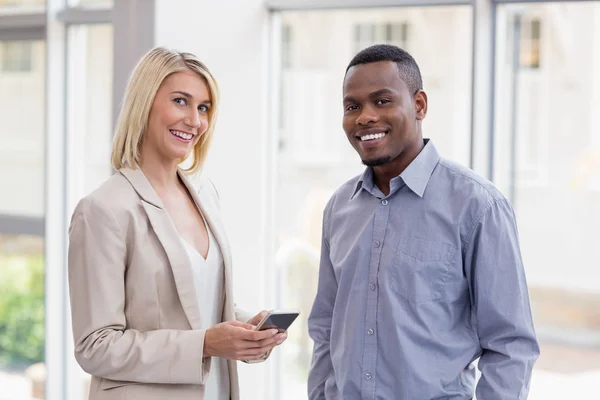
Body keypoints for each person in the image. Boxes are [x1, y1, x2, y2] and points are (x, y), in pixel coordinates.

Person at [307, 44, 539, 400]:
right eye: (352, 106)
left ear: (419, 105)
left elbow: (510, 345)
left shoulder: (477, 205)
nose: (365, 117)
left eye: (382, 101)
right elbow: (326, 328)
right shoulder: (339, 207)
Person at [68, 47, 287, 400]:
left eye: (203, 108)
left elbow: (194, 305)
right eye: (180, 101)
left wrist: (247, 328)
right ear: (145, 104)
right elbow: (95, 346)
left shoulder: (206, 196)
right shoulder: (103, 210)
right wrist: (204, 343)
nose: (195, 121)